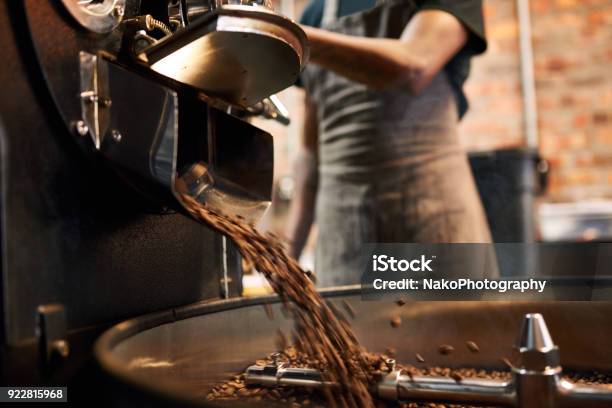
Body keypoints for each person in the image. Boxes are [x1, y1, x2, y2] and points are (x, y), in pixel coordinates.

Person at [285, 0, 495, 287]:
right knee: (345, 332)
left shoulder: (302, 32)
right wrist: (287, 255)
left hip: (430, 219)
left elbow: (414, 65)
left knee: (452, 329)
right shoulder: (314, 14)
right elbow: (311, 153)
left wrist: (289, 36)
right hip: (343, 232)